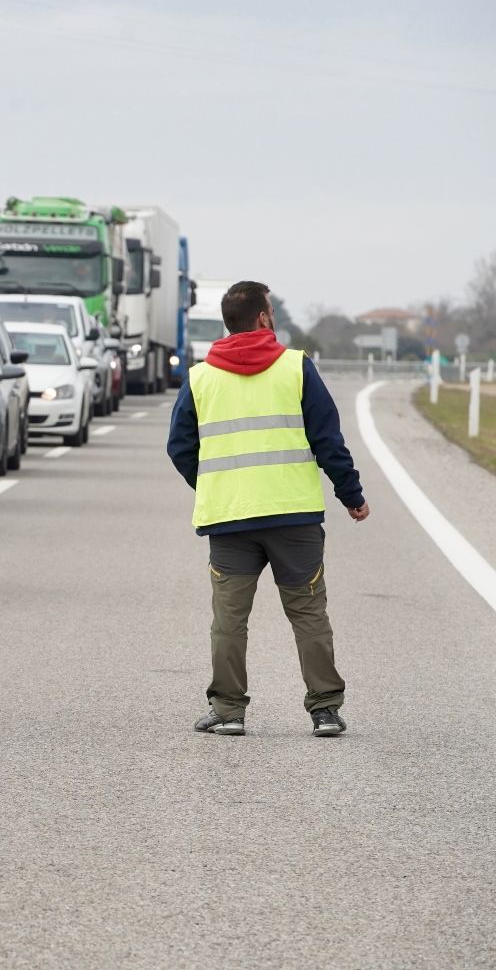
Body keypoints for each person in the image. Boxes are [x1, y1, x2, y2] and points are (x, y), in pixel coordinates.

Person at [167, 280, 369, 738]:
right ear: (262, 318)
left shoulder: (200, 377)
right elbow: (328, 441)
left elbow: (179, 446)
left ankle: (228, 711)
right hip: (293, 518)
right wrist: (351, 495)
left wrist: (214, 484)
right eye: (271, 310)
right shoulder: (297, 368)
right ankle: (325, 711)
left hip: (229, 518)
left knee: (229, 620)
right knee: (308, 614)